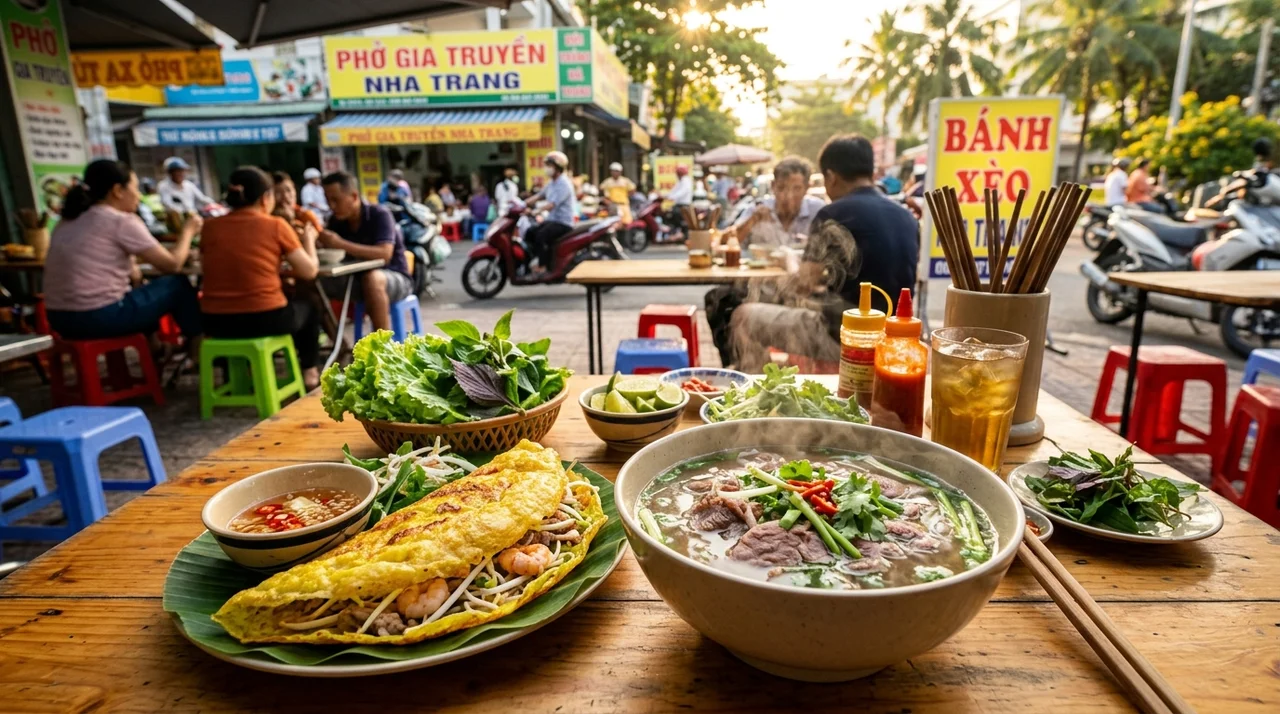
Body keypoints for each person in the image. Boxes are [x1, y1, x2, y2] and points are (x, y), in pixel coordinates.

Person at [728, 135, 919, 371]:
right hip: (895, 340)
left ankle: (762, 388)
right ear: (870, 171)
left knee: (744, 317)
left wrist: (790, 259)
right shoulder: (906, 217)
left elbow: (803, 285)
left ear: (831, 176)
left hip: (845, 337)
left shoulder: (834, 213)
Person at [43, 159, 202, 344]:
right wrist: (188, 231)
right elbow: (172, 265)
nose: (139, 195)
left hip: (58, 319)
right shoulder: (120, 220)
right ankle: (197, 348)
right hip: (98, 317)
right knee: (177, 284)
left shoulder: (67, 220)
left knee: (139, 290)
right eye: (135, 188)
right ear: (118, 191)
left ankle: (155, 348)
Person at [200, 167, 323, 390]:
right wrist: (309, 241)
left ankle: (235, 379)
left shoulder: (209, 227)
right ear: (266, 198)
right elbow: (309, 271)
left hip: (215, 323)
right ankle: (309, 371)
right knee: (309, 307)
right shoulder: (275, 225)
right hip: (265, 319)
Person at [705, 157, 828, 365]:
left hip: (802, 290)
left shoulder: (819, 211)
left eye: (796, 189)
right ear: (773, 186)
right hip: (763, 288)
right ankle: (742, 366)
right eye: (781, 188)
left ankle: (795, 367)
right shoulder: (759, 208)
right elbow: (723, 243)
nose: (788, 196)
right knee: (718, 300)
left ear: (807, 188)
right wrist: (751, 221)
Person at [320, 171, 413, 331]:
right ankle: (339, 343)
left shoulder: (380, 214)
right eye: (328, 201)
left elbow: (384, 254)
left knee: (372, 279)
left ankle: (382, 343)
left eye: (336, 200)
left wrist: (340, 243)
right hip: (356, 280)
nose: (331, 206)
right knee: (311, 285)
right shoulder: (335, 221)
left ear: (354, 196)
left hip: (394, 278)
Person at [523, 151, 575, 272]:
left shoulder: (564, 184)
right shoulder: (552, 182)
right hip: (553, 220)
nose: (547, 168)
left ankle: (543, 266)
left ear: (558, 168)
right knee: (530, 232)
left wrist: (535, 211)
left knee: (541, 236)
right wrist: (522, 204)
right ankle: (533, 260)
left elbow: (552, 205)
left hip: (563, 222)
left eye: (549, 166)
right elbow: (540, 195)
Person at [271, 171, 324, 238]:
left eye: (288, 190)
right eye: (278, 192)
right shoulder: (267, 218)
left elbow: (322, 237)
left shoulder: (306, 215)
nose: (285, 196)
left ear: (295, 191)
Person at [665, 163, 694, 233]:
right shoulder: (680, 181)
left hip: (684, 205)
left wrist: (672, 197)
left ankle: (682, 233)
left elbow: (682, 192)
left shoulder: (686, 180)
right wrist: (665, 196)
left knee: (679, 218)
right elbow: (673, 191)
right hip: (678, 205)